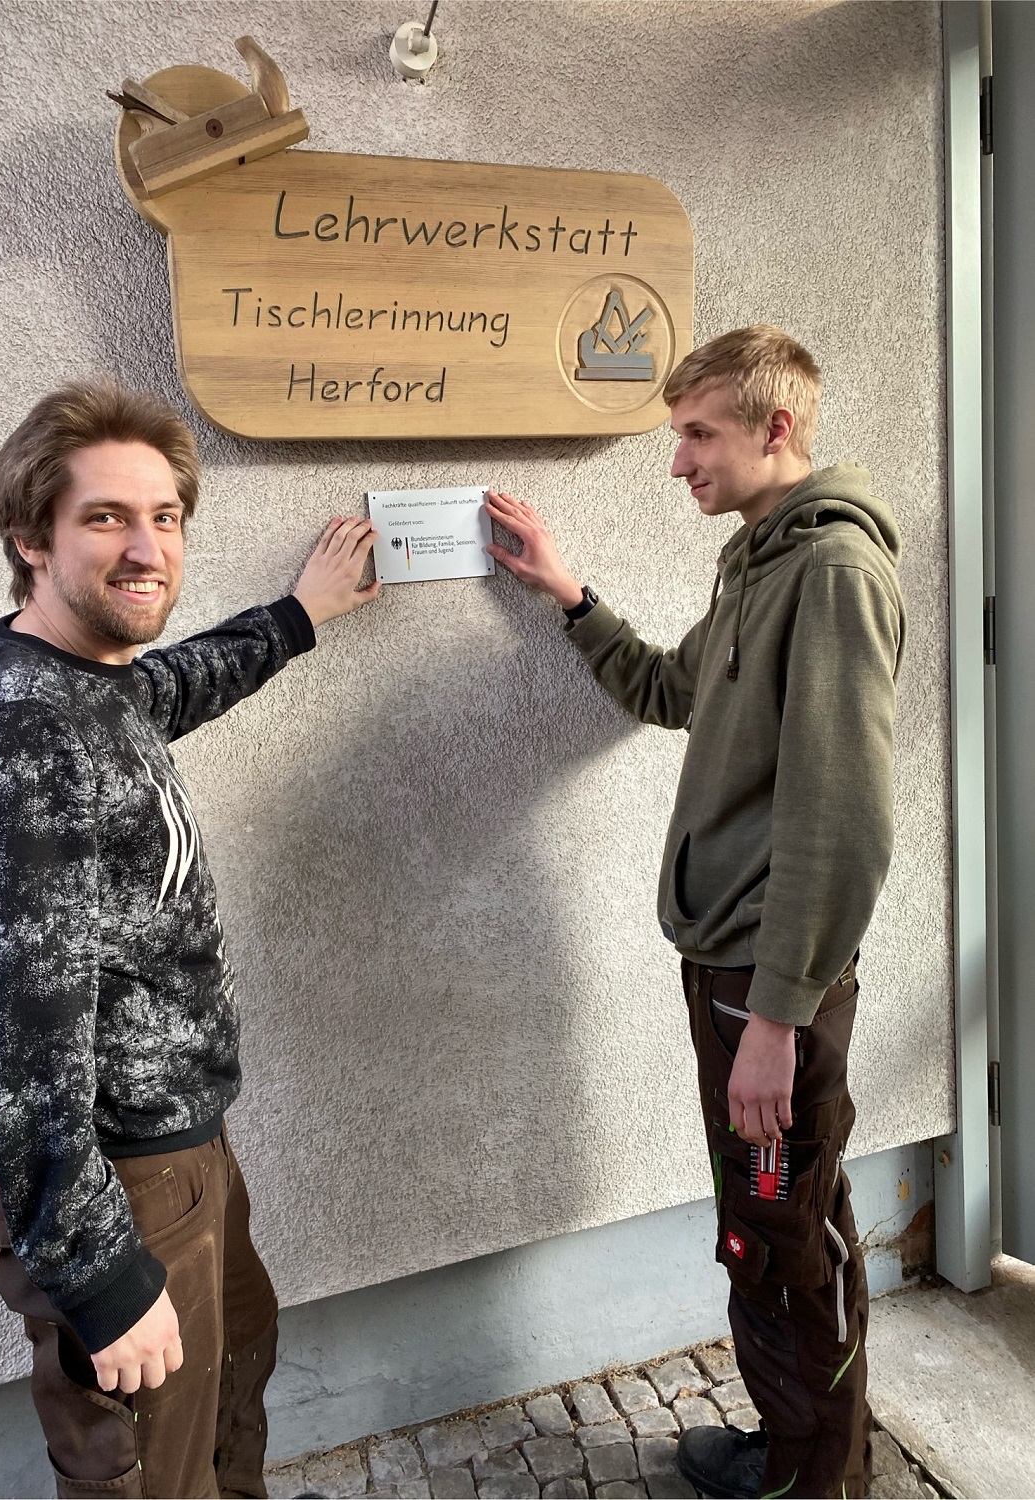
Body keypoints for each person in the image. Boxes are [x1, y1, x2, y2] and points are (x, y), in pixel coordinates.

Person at [0, 377, 380, 1499]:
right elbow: (14, 1055)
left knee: (228, 1386)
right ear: (31, 538)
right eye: (107, 518)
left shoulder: (88, 682)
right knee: (148, 1469)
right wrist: (98, 1276)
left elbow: (168, 686)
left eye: (165, 517)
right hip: (117, 1180)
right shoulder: (22, 740)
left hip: (178, 1150)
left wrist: (296, 618)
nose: (147, 548)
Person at [485, 325, 904, 1500]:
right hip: (736, 972)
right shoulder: (762, 561)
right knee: (789, 1219)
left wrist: (776, 1017)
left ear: (778, 428)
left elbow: (844, 819)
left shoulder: (830, 574)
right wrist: (566, 590)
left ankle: (807, 1480)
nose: (677, 461)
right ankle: (816, 1455)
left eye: (698, 434)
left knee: (775, 1235)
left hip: (765, 983)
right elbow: (674, 690)